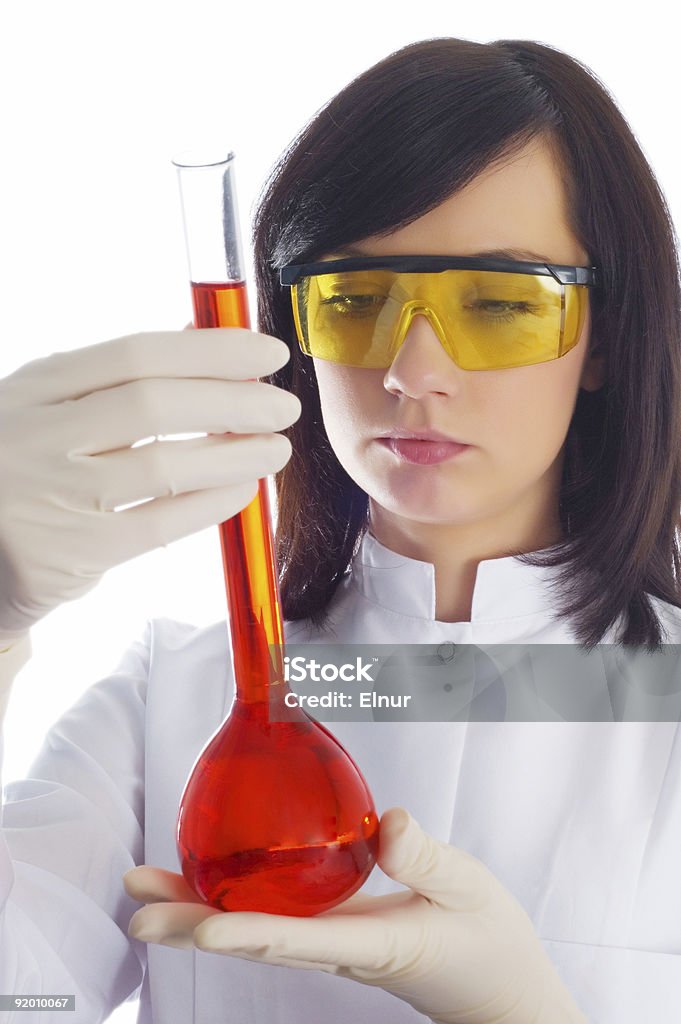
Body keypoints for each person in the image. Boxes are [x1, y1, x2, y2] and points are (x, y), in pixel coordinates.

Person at [1, 35, 680, 1024]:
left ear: (608, 337)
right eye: (356, 301)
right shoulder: (171, 700)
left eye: (497, 302)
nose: (412, 371)